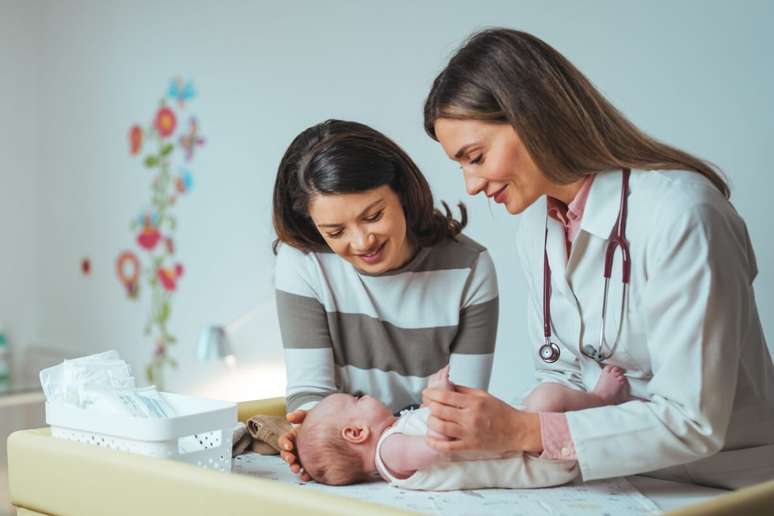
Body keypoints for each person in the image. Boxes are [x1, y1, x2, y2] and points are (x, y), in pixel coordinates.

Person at [420, 28, 774, 490]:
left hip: (725, 480)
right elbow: (564, 371)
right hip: (614, 474)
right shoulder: (539, 228)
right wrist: (496, 419)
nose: (471, 185)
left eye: (476, 156)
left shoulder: (682, 212)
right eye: (461, 166)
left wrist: (522, 430)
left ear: (532, 118)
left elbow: (694, 419)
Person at [272, 120, 499, 477]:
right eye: (335, 232)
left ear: (403, 194)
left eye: (373, 215)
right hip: (354, 470)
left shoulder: (469, 268)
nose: (363, 242)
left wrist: (394, 449)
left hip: (432, 459)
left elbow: (461, 410)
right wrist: (316, 444)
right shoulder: (303, 263)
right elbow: (311, 394)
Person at [295, 365, 626, 489]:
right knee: (546, 398)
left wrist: (430, 404)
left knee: (539, 400)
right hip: (536, 458)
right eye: (356, 398)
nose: (364, 395)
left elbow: (429, 439)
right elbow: (438, 445)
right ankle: (601, 400)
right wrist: (440, 400)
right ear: (356, 432)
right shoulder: (390, 453)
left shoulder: (397, 436)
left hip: (527, 446)